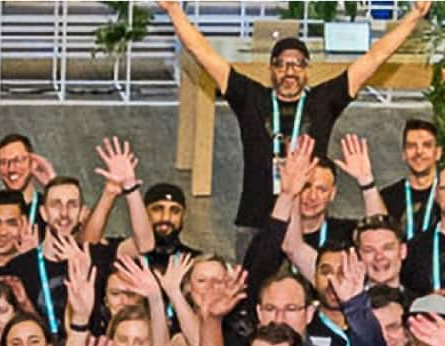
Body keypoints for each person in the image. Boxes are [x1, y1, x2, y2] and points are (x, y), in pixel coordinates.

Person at [160, 0, 432, 244]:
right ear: (271, 69)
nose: (289, 71)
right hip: (256, 221)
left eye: (298, 64)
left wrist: (414, 16)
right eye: (281, 64)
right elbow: (203, 53)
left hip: (309, 222)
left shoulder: (324, 101)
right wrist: (174, 10)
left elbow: (375, 57)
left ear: (307, 70)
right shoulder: (250, 98)